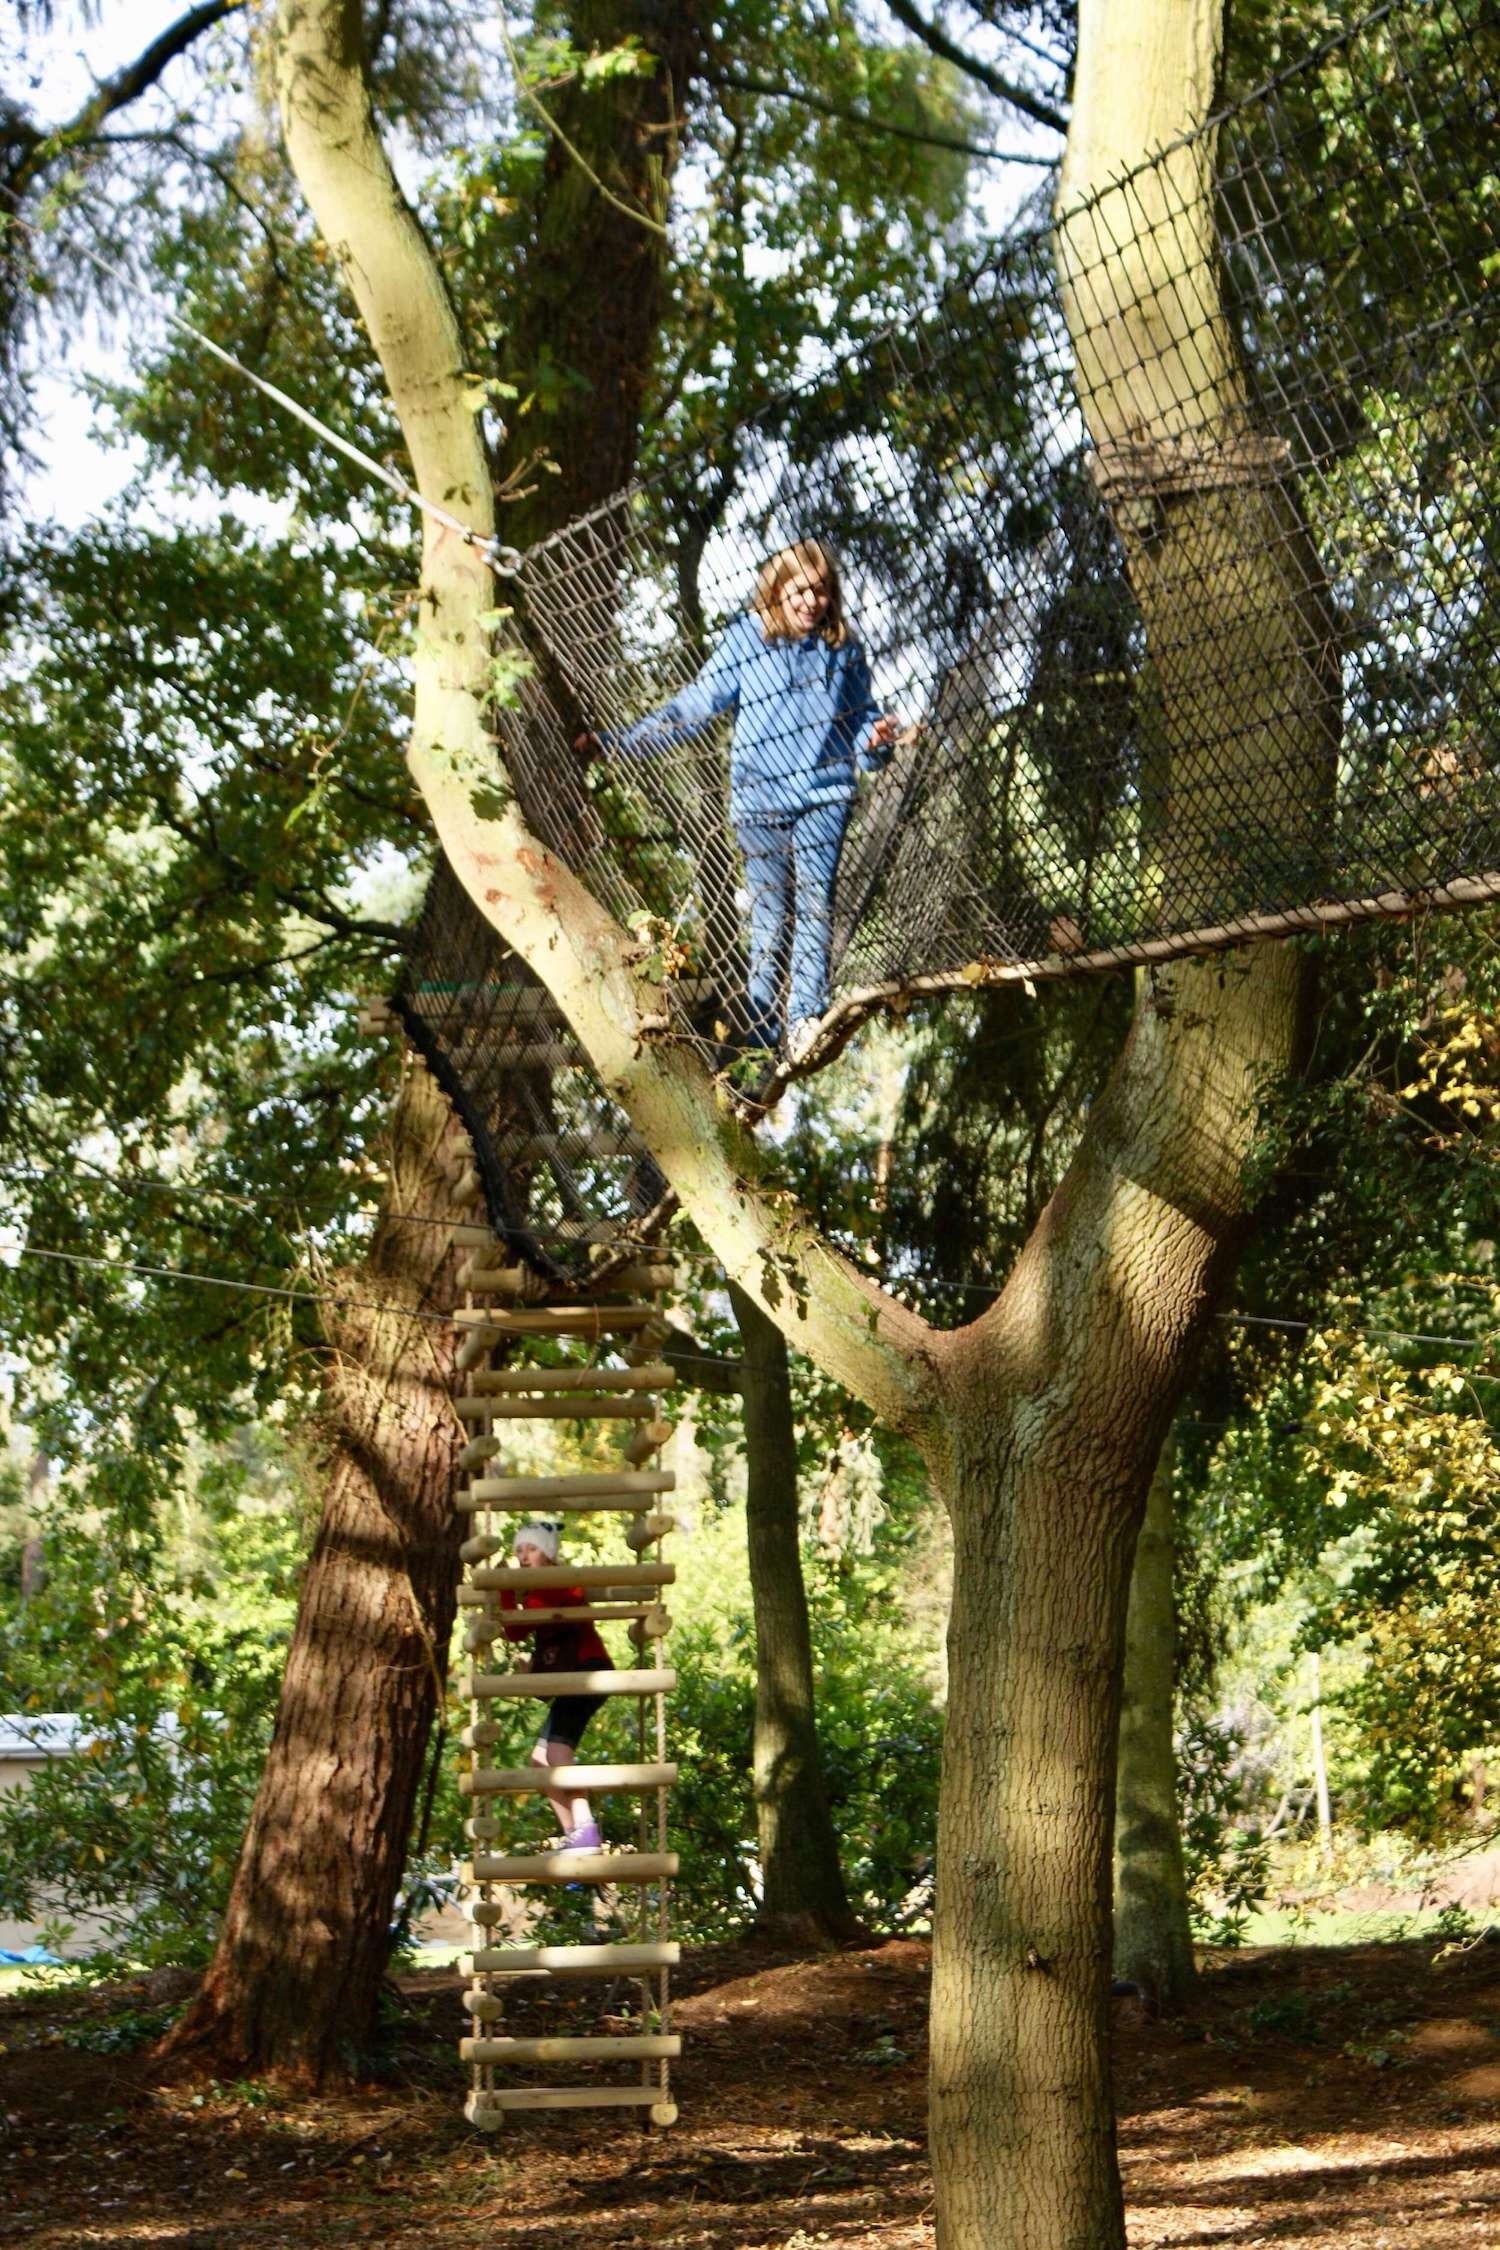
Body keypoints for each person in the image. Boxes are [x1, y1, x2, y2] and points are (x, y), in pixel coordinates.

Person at [578, 539, 901, 1064]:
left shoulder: (845, 650)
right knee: (771, 911)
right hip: (759, 797)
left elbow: (865, 727)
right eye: (800, 590)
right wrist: (619, 743)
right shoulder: (747, 640)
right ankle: (761, 1019)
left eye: (821, 591)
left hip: (824, 795)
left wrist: (877, 740)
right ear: (775, 592)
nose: (811, 602)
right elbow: (694, 707)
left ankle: (804, 1020)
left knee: (816, 903)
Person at [500, 1520, 613, 1852]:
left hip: (586, 1671)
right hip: (570, 1678)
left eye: (531, 1549)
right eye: (519, 1551)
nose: (523, 1556)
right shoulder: (535, 1592)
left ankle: (586, 1826)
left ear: (548, 1554)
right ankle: (574, 1834)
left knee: (557, 1753)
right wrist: (506, 1590)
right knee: (539, 1761)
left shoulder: (561, 1582)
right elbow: (515, 1632)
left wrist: (512, 1591)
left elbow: (530, 1617)